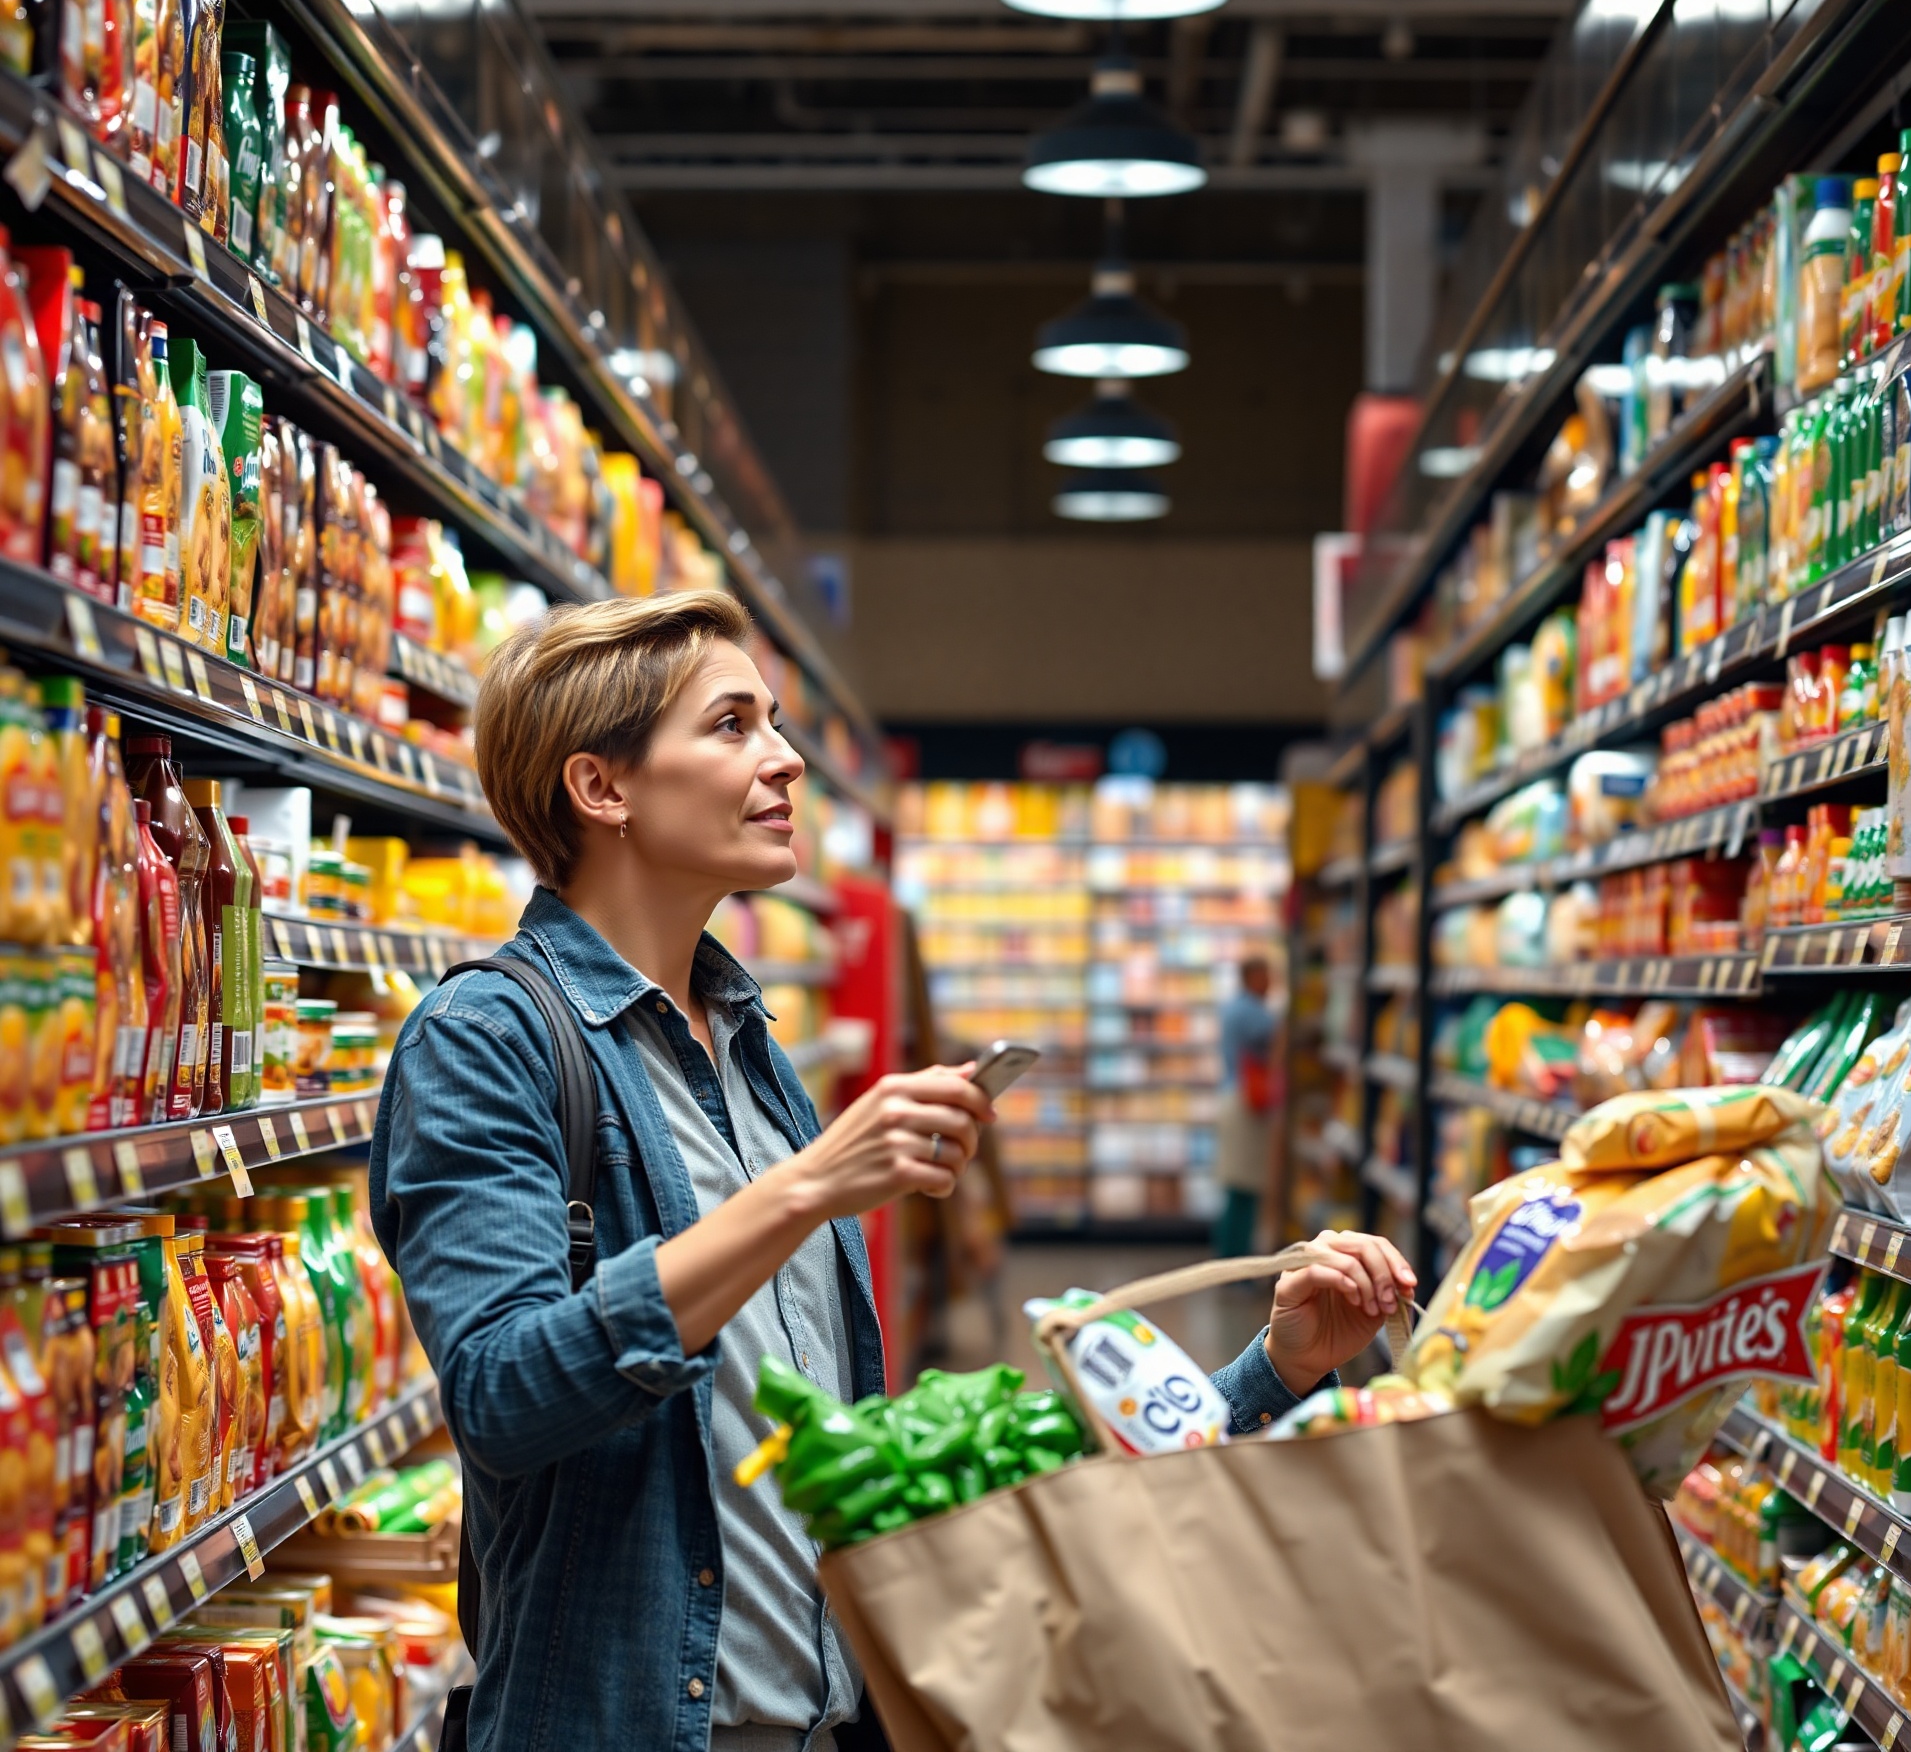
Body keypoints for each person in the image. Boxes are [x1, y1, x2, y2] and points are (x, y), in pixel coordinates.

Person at [371, 590, 1416, 1752]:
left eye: (774, 720)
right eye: (730, 725)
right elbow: (502, 1395)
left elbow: (873, 1475)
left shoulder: (751, 1050)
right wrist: (808, 1187)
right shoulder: (486, 1038)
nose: (784, 760)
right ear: (600, 787)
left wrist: (1264, 1372)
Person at [1213, 953, 1280, 1256]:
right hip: (1246, 1102)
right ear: (1252, 977)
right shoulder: (1251, 1011)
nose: (1271, 982)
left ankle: (1230, 1257)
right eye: (1266, 975)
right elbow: (1277, 1035)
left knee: (1238, 1185)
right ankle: (1235, 1263)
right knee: (1245, 1187)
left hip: (1234, 1097)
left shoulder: (1234, 1008)